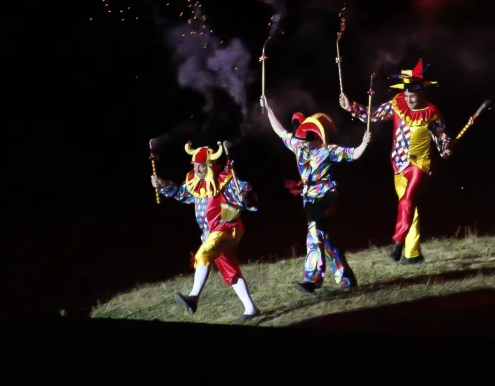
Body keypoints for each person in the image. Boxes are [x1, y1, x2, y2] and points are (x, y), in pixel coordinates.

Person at [340, 59, 452, 264]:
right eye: (407, 96)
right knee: (409, 206)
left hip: (421, 165)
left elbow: (441, 136)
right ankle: (413, 254)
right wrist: (351, 107)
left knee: (408, 199)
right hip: (399, 165)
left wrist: (445, 149)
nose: (409, 100)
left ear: (421, 94)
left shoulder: (431, 113)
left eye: (413, 96)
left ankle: (398, 242)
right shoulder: (397, 105)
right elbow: (372, 114)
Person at [262, 96, 371, 293]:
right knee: (325, 236)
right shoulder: (297, 145)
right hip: (309, 197)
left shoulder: (327, 151)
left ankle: (312, 279)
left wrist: (364, 143)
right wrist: (268, 108)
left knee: (314, 232)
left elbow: (353, 154)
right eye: (298, 142)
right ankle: (345, 276)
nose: (300, 145)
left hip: (327, 195)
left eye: (304, 143)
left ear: (313, 139)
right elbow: (279, 131)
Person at [150, 140, 260, 324]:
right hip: (211, 234)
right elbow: (180, 193)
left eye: (201, 166)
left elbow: (247, 192)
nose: (197, 170)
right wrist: (162, 183)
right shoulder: (195, 181)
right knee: (230, 271)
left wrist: (246, 197)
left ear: (209, 165)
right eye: (195, 166)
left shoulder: (225, 180)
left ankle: (193, 298)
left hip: (227, 228)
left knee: (203, 254)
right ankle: (251, 309)